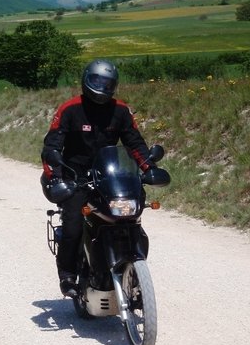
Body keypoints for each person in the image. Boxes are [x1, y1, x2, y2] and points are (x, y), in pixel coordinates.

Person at [40, 58, 163, 298]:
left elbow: (134, 142)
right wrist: (55, 176)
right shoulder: (71, 109)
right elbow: (51, 146)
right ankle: (68, 275)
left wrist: (147, 167)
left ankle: (134, 272)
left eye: (108, 83)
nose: (102, 88)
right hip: (76, 177)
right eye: (97, 81)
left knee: (130, 218)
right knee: (74, 225)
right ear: (86, 80)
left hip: (109, 176)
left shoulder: (120, 110)